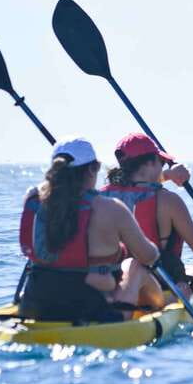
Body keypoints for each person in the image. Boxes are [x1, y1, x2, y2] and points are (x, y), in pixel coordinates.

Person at [17, 136, 165, 323]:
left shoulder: (33, 200)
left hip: (36, 304)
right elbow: (149, 256)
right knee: (135, 267)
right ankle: (168, 305)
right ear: (93, 168)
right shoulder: (111, 208)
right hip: (89, 312)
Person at [101, 133, 193, 297]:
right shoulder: (169, 201)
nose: (163, 167)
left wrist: (167, 176)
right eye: (162, 162)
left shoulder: (102, 197)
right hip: (165, 286)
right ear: (150, 163)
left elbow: (137, 188)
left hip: (115, 282)